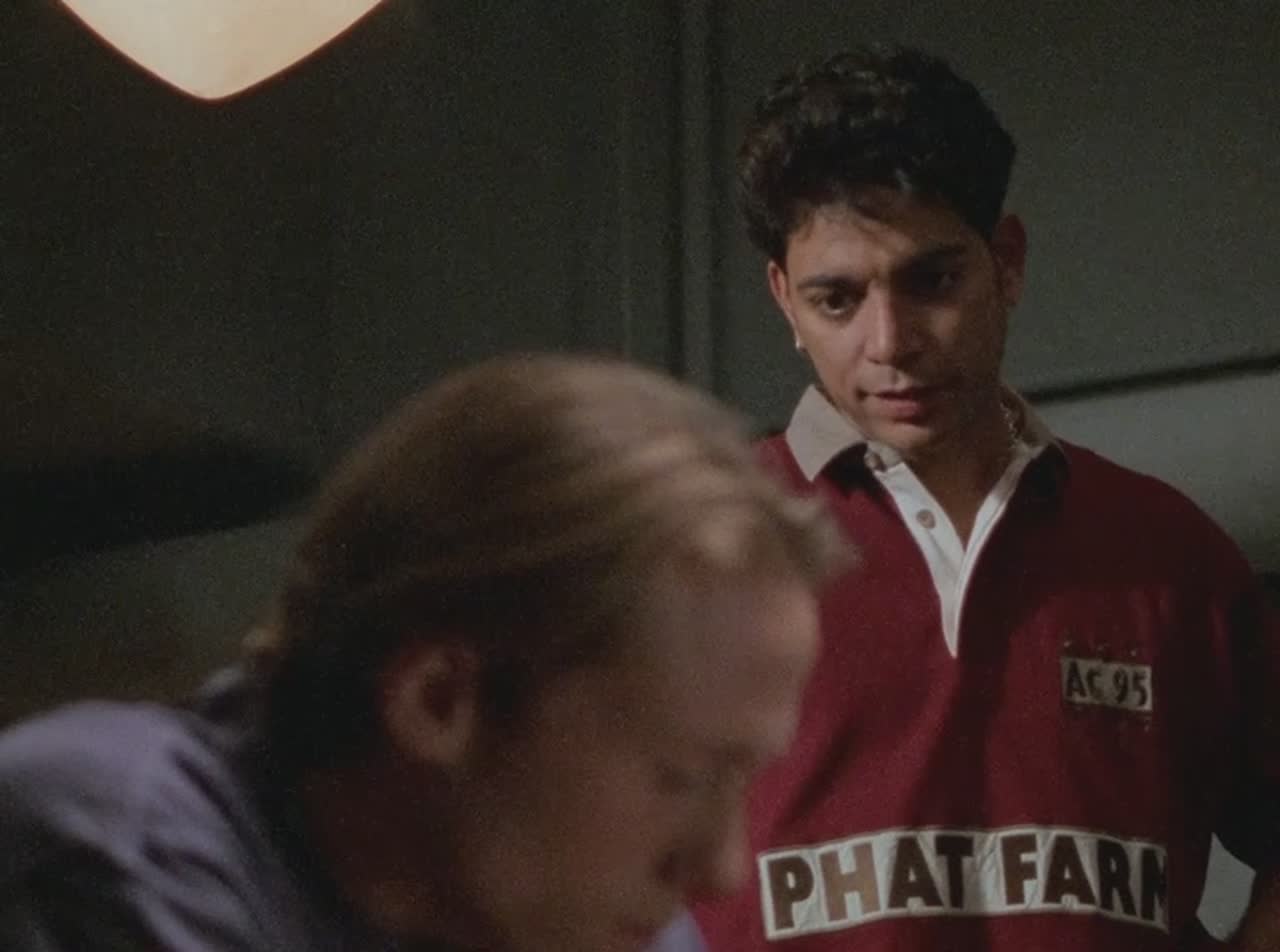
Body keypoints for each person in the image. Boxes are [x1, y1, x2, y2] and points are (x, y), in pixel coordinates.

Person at [690, 45, 1280, 951]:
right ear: (783, 299)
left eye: (931, 281)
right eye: (837, 299)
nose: (890, 341)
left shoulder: (1170, 555)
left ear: (1006, 261)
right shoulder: (690, 552)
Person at [0, 353, 847, 952]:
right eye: (683, 777)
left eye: (743, 779)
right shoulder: (119, 851)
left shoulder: (571, 918)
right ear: (440, 701)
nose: (722, 870)